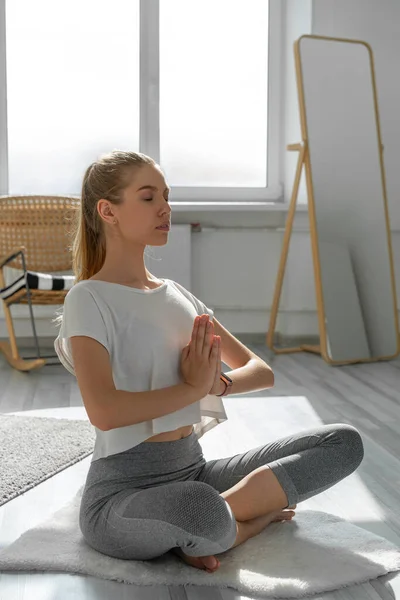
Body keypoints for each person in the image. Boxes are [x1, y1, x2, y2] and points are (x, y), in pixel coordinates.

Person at [54, 150, 364, 574]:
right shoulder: (88, 298)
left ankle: (217, 524)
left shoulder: (176, 294)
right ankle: (244, 522)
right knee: (200, 509)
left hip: (193, 469)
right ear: (107, 210)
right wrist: (190, 390)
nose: (165, 208)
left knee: (343, 442)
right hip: (121, 495)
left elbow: (260, 370)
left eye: (166, 195)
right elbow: (104, 412)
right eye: (148, 198)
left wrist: (216, 385)